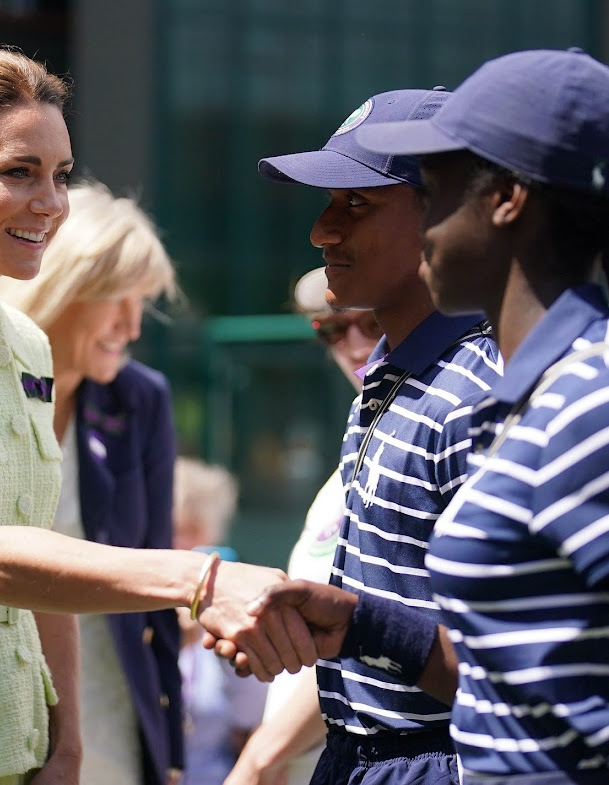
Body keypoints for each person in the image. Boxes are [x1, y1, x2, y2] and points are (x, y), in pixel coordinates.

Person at [0, 46, 304, 785]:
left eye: (60, 175)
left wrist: (70, 741)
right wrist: (201, 578)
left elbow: (36, 553)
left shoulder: (24, 344)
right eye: (18, 171)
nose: (49, 201)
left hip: (26, 744)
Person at [246, 47, 609, 785]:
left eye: (438, 191)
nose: (321, 233)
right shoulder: (523, 391)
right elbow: (510, 671)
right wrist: (358, 624)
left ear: (505, 198)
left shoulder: (583, 399)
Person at [212, 87, 503, 785]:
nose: (320, 231)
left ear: (446, 214)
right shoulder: (393, 374)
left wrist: (354, 622)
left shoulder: (480, 392)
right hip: (357, 752)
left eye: (356, 204)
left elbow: (515, 676)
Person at [0, 181, 183, 785]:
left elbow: (159, 577)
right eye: (118, 300)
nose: (131, 327)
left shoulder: (141, 399)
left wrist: (171, 743)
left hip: (108, 699)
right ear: (64, 286)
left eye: (143, 304)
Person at [225, 268, 381, 785]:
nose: (354, 345)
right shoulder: (360, 445)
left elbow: (383, 632)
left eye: (371, 322)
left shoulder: (427, 436)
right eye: (334, 330)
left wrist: (260, 758)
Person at [172, 457, 269, 785]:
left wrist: (225, 640)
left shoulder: (220, 617)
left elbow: (250, 716)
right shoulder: (124, 613)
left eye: (197, 533)